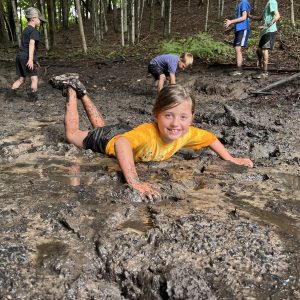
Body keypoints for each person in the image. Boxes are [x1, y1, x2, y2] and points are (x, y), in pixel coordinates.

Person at [49, 74, 253, 201]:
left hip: (125, 131)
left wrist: (230, 159)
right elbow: (121, 143)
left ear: (192, 117)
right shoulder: (148, 133)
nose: (175, 124)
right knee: (72, 135)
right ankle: (71, 89)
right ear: (156, 115)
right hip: (109, 140)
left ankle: (82, 91)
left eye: (183, 117)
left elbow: (210, 138)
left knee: (102, 127)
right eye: (168, 116)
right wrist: (134, 182)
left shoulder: (188, 132)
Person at [8, 7, 46, 102]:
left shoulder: (25, 30)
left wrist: (35, 60)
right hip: (26, 57)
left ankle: (10, 94)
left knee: (21, 79)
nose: (40, 21)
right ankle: (33, 97)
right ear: (33, 18)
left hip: (20, 56)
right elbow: (31, 45)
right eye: (39, 19)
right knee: (34, 78)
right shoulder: (34, 31)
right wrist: (30, 59)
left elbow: (25, 45)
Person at [250, 0, 280, 79]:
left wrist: (267, 26)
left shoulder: (272, 2)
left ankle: (265, 72)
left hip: (270, 30)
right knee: (258, 50)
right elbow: (260, 18)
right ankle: (261, 69)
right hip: (264, 32)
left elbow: (277, 16)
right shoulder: (268, 3)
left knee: (264, 50)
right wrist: (249, 16)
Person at [224, 0, 251, 76]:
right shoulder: (241, 3)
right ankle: (238, 69)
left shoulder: (244, 2)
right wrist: (231, 29)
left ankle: (239, 70)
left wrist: (231, 21)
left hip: (243, 28)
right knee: (237, 48)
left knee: (237, 48)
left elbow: (244, 17)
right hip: (239, 29)